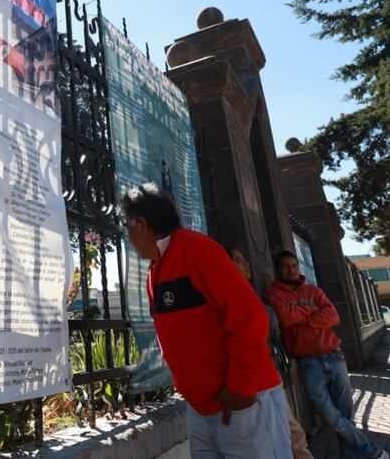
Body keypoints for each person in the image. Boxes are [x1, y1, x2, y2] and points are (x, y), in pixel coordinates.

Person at [119, 183, 292, 459]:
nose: (128, 237)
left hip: (243, 401)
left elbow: (251, 317)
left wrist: (241, 386)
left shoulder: (197, 250)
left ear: (141, 225)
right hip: (203, 408)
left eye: (127, 228)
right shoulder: (157, 270)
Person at [265, 251, 389, 459]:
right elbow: (285, 318)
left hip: (334, 355)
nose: (292, 270)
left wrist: (302, 315)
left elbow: (332, 316)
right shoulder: (273, 292)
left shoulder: (314, 290)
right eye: (286, 266)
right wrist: (312, 311)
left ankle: (350, 456)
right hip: (308, 362)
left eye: (295, 265)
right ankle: (370, 450)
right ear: (279, 269)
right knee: (329, 414)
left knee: (345, 413)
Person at [229, 249, 313, 459]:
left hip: (269, 375)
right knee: (291, 437)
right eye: (238, 260)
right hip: (255, 382)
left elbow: (330, 315)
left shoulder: (251, 295)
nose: (247, 264)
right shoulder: (232, 298)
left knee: (292, 435)